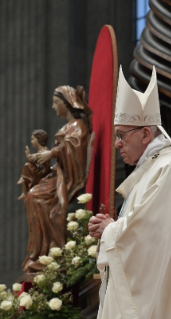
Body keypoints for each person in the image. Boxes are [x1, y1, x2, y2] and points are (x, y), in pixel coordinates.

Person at [88, 66, 171, 319]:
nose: (117, 144)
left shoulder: (169, 169)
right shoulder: (155, 168)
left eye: (121, 135)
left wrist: (111, 230)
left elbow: (148, 238)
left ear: (146, 133)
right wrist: (113, 228)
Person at [22, 85, 93, 273]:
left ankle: (51, 250)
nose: (53, 107)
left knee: (36, 197)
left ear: (67, 103)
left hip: (66, 175)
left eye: (56, 103)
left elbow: (74, 149)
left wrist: (51, 154)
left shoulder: (78, 126)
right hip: (59, 172)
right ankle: (41, 252)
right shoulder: (68, 127)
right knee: (32, 196)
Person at [17, 129, 51, 200]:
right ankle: (24, 190)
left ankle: (24, 189)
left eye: (33, 139)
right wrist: (29, 157)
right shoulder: (40, 151)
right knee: (27, 166)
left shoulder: (45, 151)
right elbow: (34, 160)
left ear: (39, 139)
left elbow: (36, 159)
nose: (31, 141)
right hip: (39, 169)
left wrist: (28, 156)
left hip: (43, 172)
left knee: (27, 166)